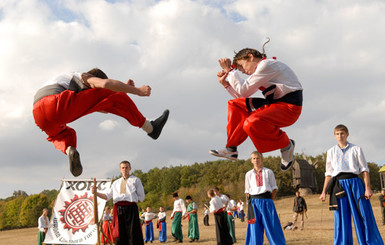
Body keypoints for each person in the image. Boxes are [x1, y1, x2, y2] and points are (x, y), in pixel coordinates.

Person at [33, 68, 169, 177]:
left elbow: (100, 106)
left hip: (38, 113)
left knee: (62, 135)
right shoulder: (83, 76)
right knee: (113, 93)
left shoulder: (67, 84)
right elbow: (105, 85)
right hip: (55, 102)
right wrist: (137, 91)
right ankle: (150, 128)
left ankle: (69, 149)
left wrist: (122, 89)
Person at [209, 40, 303, 171]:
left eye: (242, 66)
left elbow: (244, 90)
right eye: (239, 70)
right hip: (274, 105)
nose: (243, 71)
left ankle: (286, 145)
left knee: (251, 123)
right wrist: (226, 84)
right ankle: (231, 148)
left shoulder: (266, 65)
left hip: (289, 108)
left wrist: (229, 70)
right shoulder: (260, 71)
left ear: (251, 57)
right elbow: (242, 95)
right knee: (235, 105)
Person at [319, 124, 384, 245]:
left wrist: (368, 188)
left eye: (342, 133)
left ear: (347, 134)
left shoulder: (356, 149)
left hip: (355, 183)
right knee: (341, 218)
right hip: (339, 186)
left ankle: (369, 242)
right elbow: (328, 173)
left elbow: (364, 170)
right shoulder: (331, 152)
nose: (340, 136)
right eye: (337, 134)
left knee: (363, 214)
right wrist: (323, 192)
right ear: (334, 135)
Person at [93, 160, 145, 245]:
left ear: (130, 168)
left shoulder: (136, 180)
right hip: (118, 210)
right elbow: (107, 196)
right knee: (120, 233)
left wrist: (131, 201)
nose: (125, 169)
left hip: (131, 209)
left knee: (133, 233)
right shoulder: (115, 183)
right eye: (123, 168)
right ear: (120, 169)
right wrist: (96, 193)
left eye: (126, 168)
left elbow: (141, 196)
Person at [245, 151, 286, 245]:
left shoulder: (268, 172)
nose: (256, 160)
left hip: (266, 201)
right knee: (254, 228)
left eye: (258, 158)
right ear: (251, 160)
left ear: (262, 159)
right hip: (253, 203)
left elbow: (274, 188)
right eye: (254, 158)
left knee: (272, 226)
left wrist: (268, 200)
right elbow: (247, 191)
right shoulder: (248, 174)